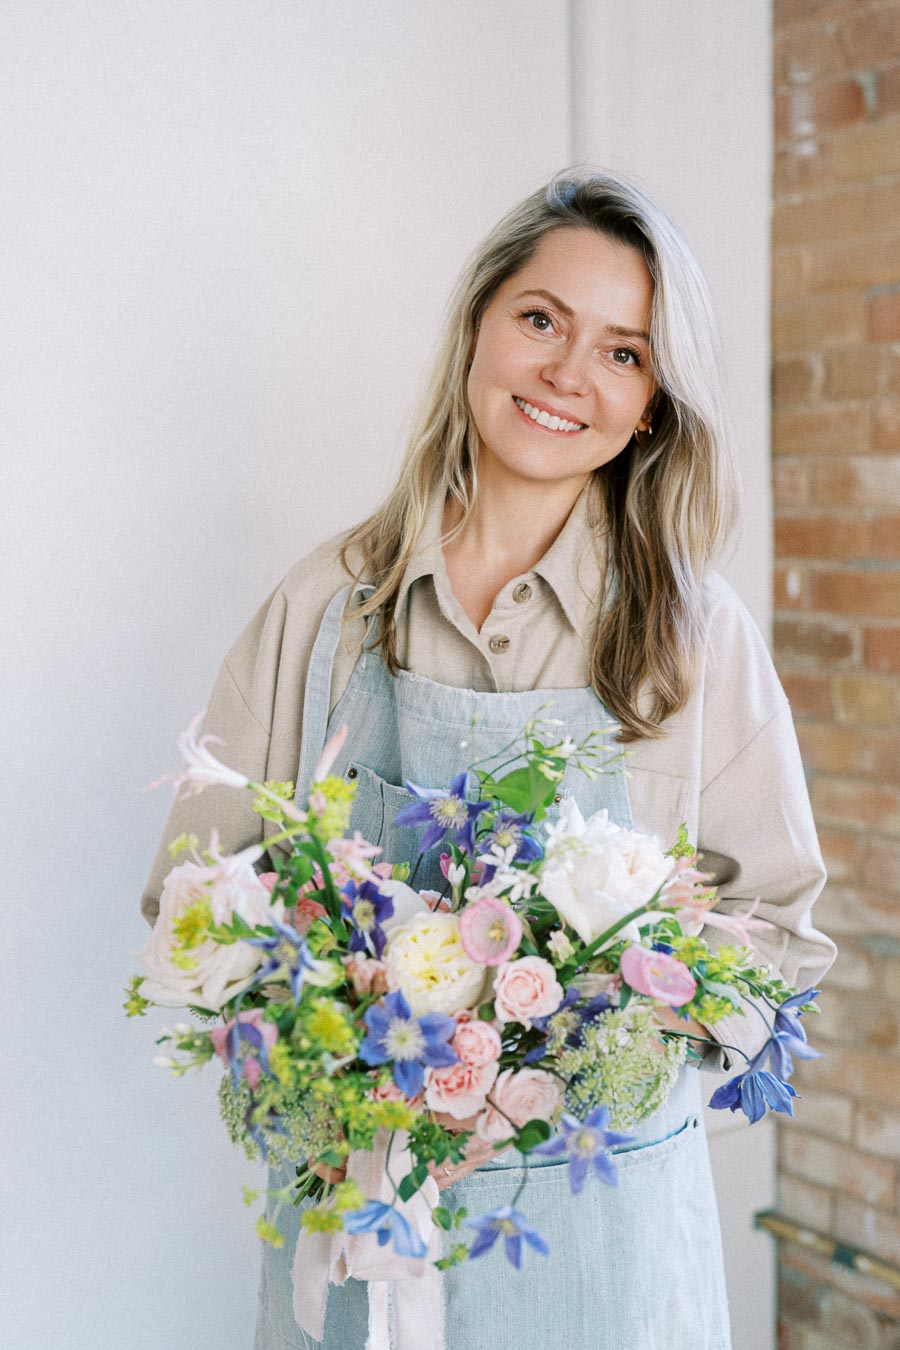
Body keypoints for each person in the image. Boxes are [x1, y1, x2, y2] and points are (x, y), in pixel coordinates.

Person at [142, 170, 835, 1350]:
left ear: (655, 406)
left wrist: (572, 1055)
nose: (569, 374)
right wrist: (326, 1041)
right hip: (361, 1242)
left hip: (608, 1262)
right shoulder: (327, 609)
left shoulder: (694, 640)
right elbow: (193, 906)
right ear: (479, 325)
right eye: (541, 320)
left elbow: (778, 934)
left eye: (624, 352)